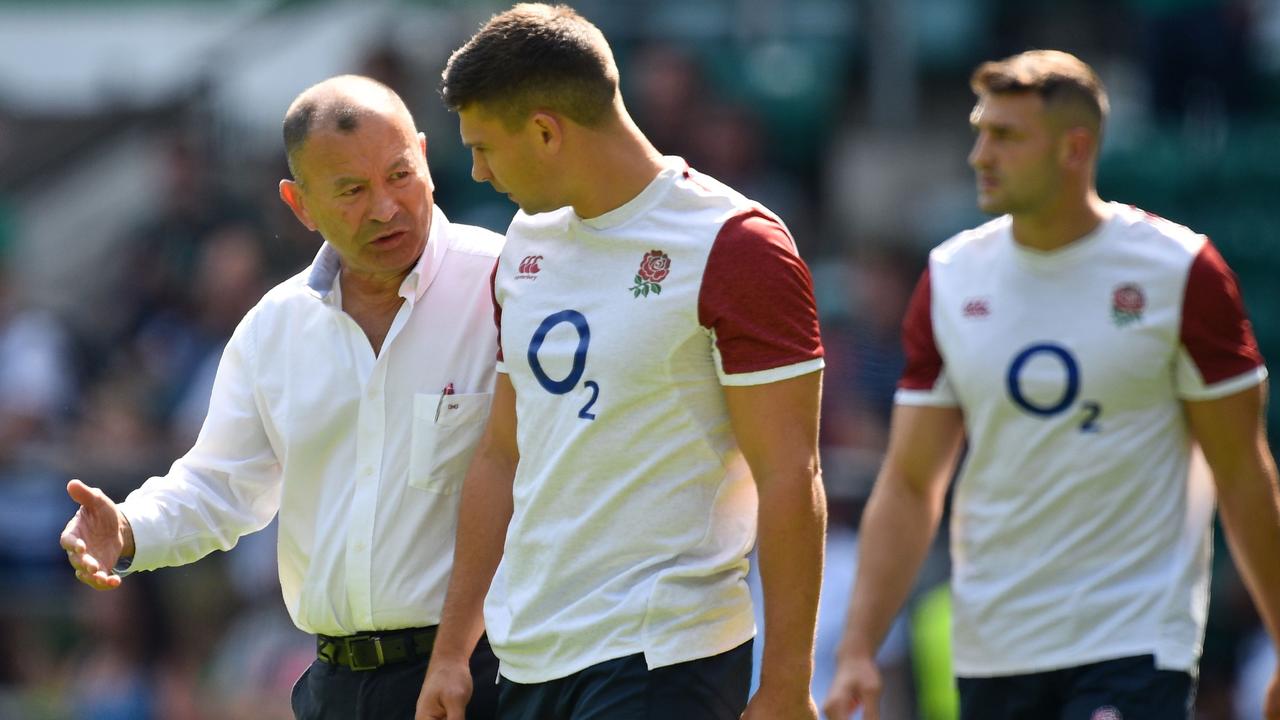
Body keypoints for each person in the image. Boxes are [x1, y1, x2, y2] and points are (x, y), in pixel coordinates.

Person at [823, 50, 1280, 720]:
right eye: (979, 131)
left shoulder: (1181, 271)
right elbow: (912, 480)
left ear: (1075, 148)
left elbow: (1242, 471)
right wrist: (858, 646)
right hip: (994, 646)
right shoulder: (952, 278)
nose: (980, 155)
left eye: (1005, 136)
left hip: (1134, 638)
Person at [413, 4, 827, 720]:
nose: (475, 171)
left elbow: (792, 475)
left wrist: (787, 684)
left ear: (545, 131)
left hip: (663, 656)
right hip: (532, 654)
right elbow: (503, 453)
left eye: (485, 147)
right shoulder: (524, 240)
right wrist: (453, 652)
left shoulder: (737, 244)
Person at [59, 75, 504, 720]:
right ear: (299, 205)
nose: (385, 207)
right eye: (351, 191)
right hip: (333, 689)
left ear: (428, 157)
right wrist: (128, 528)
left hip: (484, 679)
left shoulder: (507, 284)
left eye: (400, 174)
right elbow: (219, 487)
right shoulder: (273, 328)